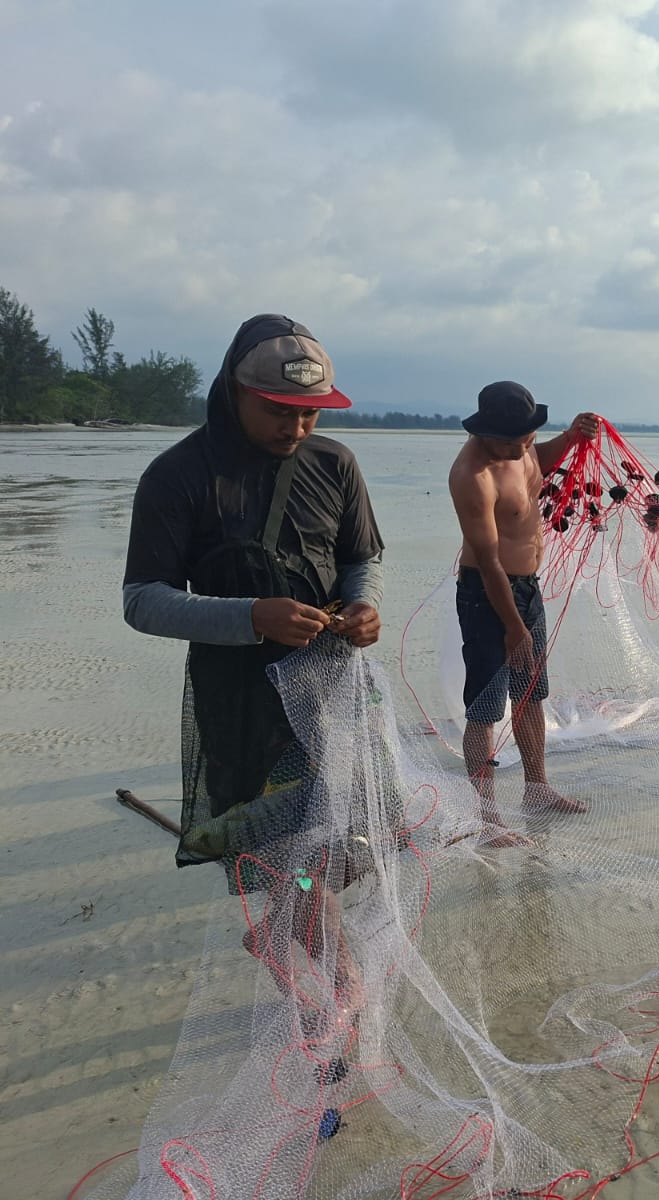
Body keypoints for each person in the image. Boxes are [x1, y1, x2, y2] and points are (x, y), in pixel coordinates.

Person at [122, 313, 384, 1020]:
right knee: (282, 856)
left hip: (328, 695)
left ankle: (276, 936)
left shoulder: (335, 465)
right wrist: (248, 617)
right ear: (233, 391)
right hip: (238, 706)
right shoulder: (178, 475)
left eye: (309, 414)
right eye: (278, 411)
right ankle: (335, 1002)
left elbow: (361, 558)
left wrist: (362, 607)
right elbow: (143, 602)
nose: (296, 428)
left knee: (337, 849)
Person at [449, 381, 599, 832]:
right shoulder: (472, 476)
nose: (522, 450)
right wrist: (514, 629)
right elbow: (490, 562)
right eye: (512, 443)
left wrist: (571, 436)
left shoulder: (522, 447)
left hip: (528, 588)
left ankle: (538, 788)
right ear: (485, 434)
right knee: (485, 707)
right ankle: (488, 817)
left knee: (531, 694)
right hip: (486, 594)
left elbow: (536, 466)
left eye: (528, 439)